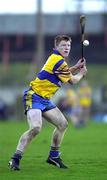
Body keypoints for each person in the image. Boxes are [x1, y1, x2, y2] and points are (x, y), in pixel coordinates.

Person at [9, 35, 87, 170]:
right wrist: (81, 73)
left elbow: (64, 73)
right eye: (63, 45)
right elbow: (72, 81)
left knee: (62, 124)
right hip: (33, 96)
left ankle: (54, 157)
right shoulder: (59, 61)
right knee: (36, 128)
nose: (66, 48)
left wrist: (75, 67)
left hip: (45, 99)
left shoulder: (57, 59)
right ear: (56, 47)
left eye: (68, 46)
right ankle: (15, 159)